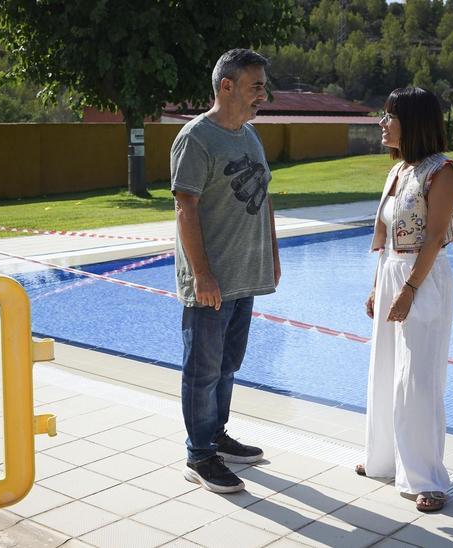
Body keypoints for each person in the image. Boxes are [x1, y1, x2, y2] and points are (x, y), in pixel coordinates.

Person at [356, 87, 453, 512]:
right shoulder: (400, 170)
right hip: (393, 273)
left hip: (421, 280)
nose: (383, 124)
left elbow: (436, 238)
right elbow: (386, 239)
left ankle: (426, 478)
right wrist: (377, 286)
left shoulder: (442, 171)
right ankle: (384, 460)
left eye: (390, 116)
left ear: (415, 122)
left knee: (418, 380)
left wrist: (408, 291)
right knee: (385, 371)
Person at [172, 48, 281, 494]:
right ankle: (199, 456)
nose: (263, 95)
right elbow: (185, 207)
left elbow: (266, 196)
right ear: (227, 86)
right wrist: (202, 275)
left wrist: (272, 254)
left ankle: (215, 436)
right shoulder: (196, 138)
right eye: (256, 86)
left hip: (244, 276)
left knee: (228, 365)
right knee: (203, 369)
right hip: (212, 281)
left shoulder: (249, 136)